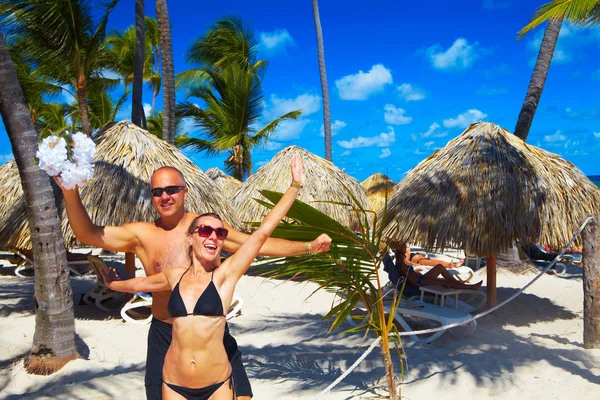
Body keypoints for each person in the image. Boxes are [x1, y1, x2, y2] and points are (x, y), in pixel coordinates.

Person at [56, 162, 332, 400]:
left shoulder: (207, 230)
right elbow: (88, 234)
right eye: (157, 192)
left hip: (210, 334)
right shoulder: (141, 234)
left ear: (185, 192)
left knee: (242, 394)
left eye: (171, 190)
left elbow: (258, 242)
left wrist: (307, 247)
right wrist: (70, 192)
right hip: (165, 334)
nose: (165, 196)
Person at [392, 246, 481, 290]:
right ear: (403, 252)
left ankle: (459, 284)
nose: (409, 249)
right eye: (407, 249)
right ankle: (468, 287)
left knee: (439, 267)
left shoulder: (401, 261)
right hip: (420, 281)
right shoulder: (402, 262)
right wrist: (417, 285)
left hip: (421, 277)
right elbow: (409, 278)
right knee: (446, 282)